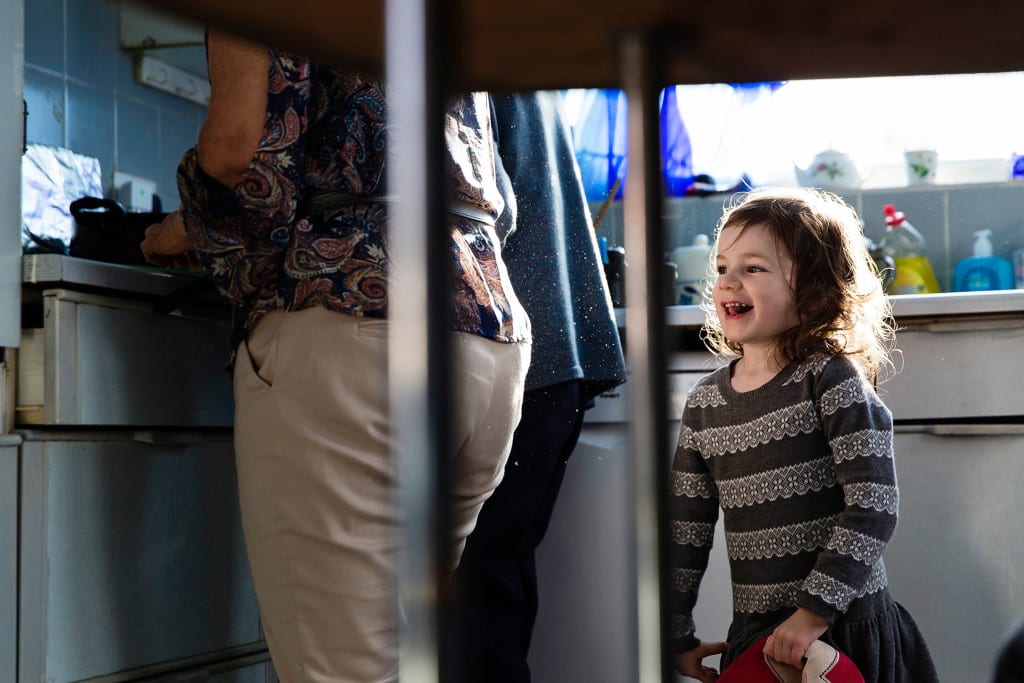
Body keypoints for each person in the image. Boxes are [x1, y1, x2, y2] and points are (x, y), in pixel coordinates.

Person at [141, 31, 531, 683]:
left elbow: (242, 161)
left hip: (354, 328)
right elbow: (501, 195)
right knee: (408, 658)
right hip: (485, 330)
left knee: (346, 670)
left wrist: (179, 228)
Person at [669, 187, 939, 683]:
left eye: (753, 268)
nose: (729, 282)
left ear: (813, 289)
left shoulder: (830, 380)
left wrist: (813, 613)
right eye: (723, 268)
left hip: (842, 631)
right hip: (760, 639)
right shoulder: (705, 404)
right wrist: (675, 633)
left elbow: (874, 504)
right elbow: (684, 533)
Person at [451, 91, 627, 682]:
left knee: (471, 589)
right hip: (557, 348)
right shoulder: (525, 68)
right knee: (493, 579)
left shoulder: (467, 60)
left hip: (507, 345)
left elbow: (483, 202)